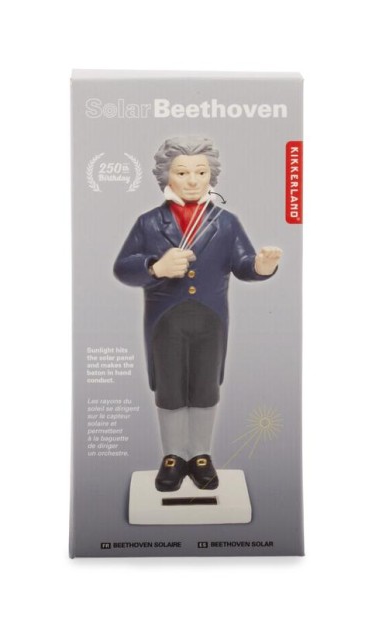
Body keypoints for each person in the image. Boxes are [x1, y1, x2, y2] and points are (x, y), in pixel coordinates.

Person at [113, 135, 282, 492]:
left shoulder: (226, 222)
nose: (192, 180)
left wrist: (261, 266)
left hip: (211, 319)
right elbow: (123, 267)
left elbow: (242, 263)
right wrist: (155, 267)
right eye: (182, 172)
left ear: (211, 175)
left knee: (206, 385)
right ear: (166, 176)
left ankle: (201, 454)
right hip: (166, 320)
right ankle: (173, 455)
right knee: (169, 386)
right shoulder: (148, 223)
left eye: (200, 172)